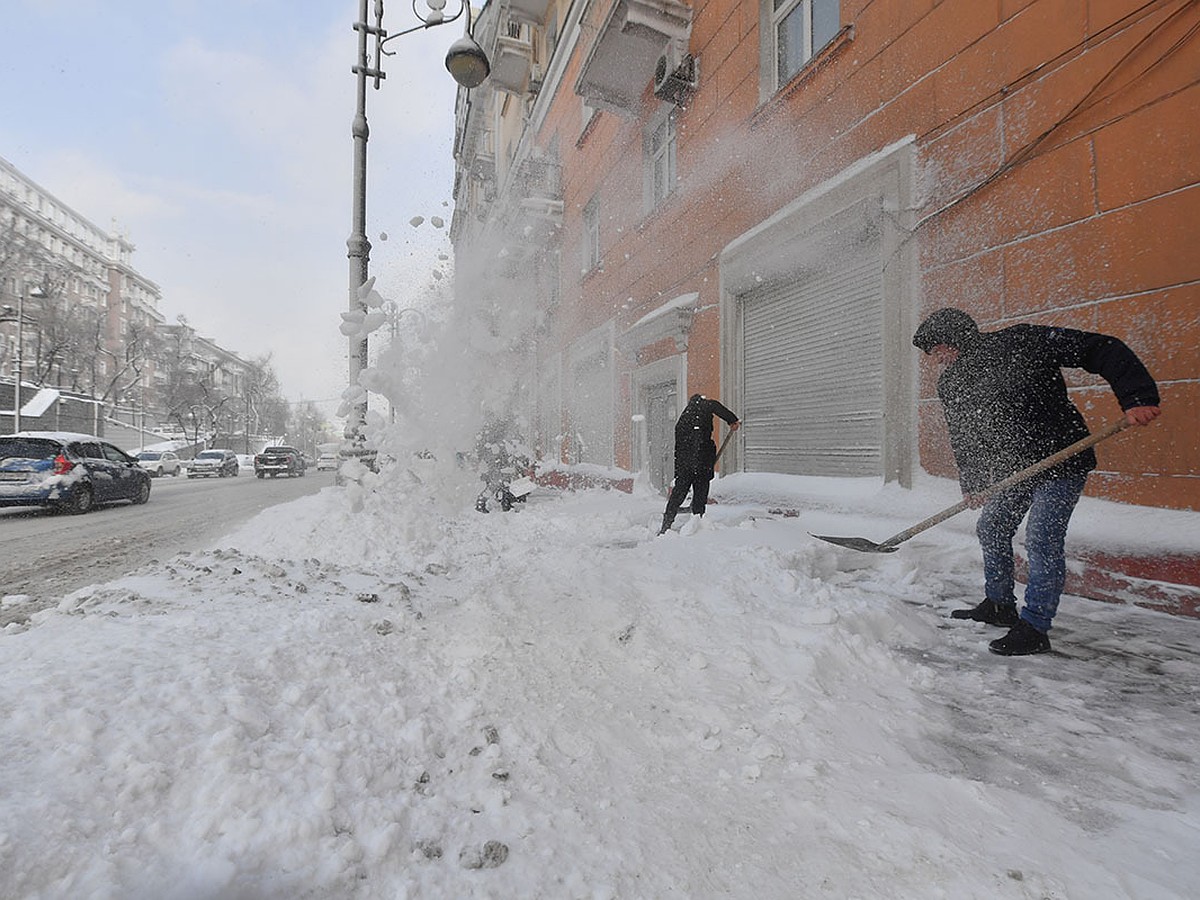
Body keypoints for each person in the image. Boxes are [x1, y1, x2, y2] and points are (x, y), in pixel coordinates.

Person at [912, 308, 1160, 656]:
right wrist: (974, 479)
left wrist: (1137, 397)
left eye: (938, 351)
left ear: (954, 340)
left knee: (1042, 537)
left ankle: (1035, 626)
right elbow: (964, 435)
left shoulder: (1022, 341)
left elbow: (1102, 348)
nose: (937, 361)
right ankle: (999, 605)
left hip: (1062, 459)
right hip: (1016, 470)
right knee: (992, 526)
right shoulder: (951, 382)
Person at [659, 394, 740, 535]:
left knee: (678, 495)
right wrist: (732, 420)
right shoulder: (706, 406)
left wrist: (678, 473)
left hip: (685, 464)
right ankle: (697, 522)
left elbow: (677, 449)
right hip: (701, 461)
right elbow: (715, 406)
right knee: (700, 493)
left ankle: (666, 524)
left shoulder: (682, 420)